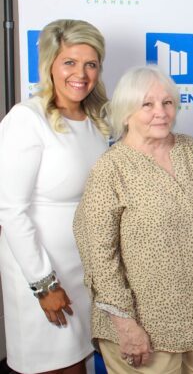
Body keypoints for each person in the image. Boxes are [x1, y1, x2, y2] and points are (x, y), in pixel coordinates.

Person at [73, 65, 193, 373]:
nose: (161, 112)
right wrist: (125, 324)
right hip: (145, 325)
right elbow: (99, 256)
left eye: (167, 102)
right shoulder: (110, 171)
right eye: (147, 104)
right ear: (126, 112)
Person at [0, 19, 109, 374]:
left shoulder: (95, 120)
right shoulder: (26, 119)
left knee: (77, 363)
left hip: (82, 270)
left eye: (90, 64)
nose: (81, 73)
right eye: (70, 62)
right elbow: (11, 211)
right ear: (49, 64)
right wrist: (43, 283)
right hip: (41, 272)